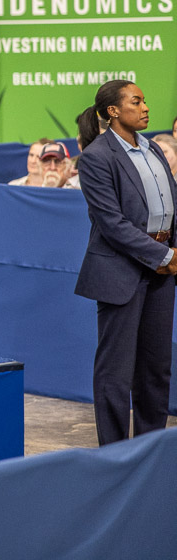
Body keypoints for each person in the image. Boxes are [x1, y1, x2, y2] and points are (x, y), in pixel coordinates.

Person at [74, 79, 177, 444]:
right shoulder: (96, 158)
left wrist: (171, 253)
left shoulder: (155, 150)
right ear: (113, 111)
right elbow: (112, 224)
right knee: (115, 373)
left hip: (162, 273)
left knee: (156, 368)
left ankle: (150, 449)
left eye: (145, 100)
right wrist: (165, 256)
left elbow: (171, 209)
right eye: (137, 101)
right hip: (122, 272)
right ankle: (115, 455)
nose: (146, 107)